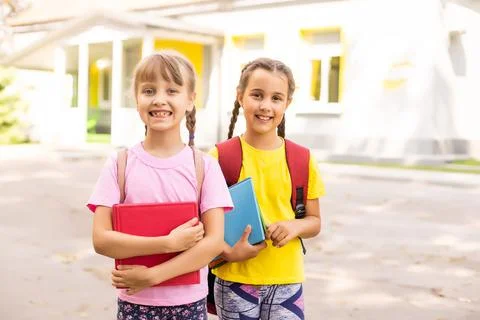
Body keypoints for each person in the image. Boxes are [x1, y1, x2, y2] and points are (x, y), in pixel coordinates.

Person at [87, 50, 233, 320]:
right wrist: (167, 243)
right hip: (134, 303)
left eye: (172, 90)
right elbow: (101, 239)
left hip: (188, 303)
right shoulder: (119, 164)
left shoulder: (205, 167)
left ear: (190, 100)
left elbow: (213, 243)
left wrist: (152, 276)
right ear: (136, 98)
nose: (159, 99)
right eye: (149, 90)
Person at [209, 57, 325, 319]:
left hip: (287, 280)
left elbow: (315, 221)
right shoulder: (219, 157)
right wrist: (228, 252)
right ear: (240, 97)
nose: (265, 106)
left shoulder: (302, 159)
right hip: (234, 279)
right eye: (257, 95)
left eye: (276, 98)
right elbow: (205, 224)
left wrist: (294, 226)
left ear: (287, 103)